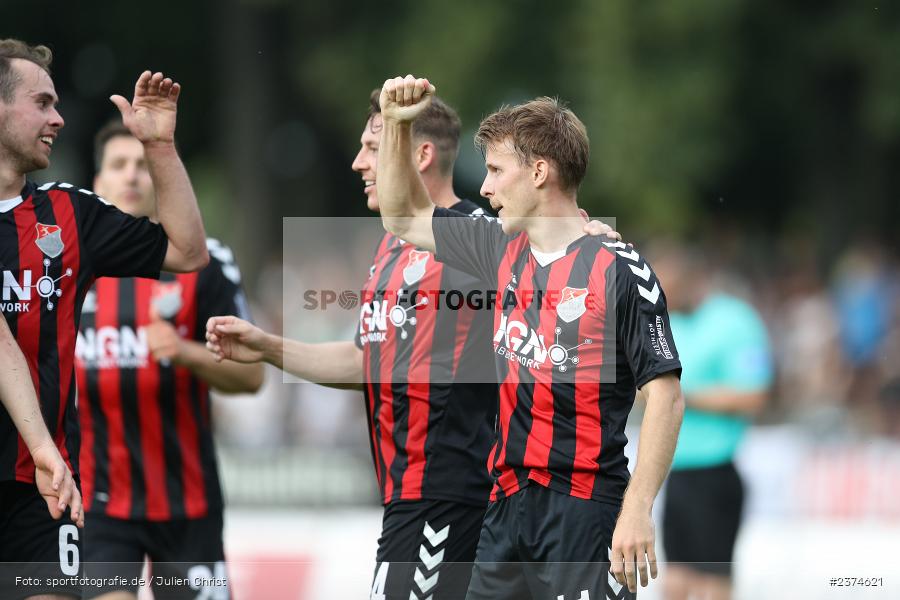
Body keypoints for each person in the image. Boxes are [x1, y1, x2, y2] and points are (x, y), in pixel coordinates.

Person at [205, 88, 623, 599]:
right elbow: (366, 361)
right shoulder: (391, 249)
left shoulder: (481, 238)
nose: (359, 162)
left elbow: (553, 246)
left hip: (456, 492)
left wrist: (588, 231)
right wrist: (267, 346)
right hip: (404, 492)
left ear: (420, 154)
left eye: (372, 147)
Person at [375, 75, 685, 599]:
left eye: (497, 170)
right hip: (505, 510)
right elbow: (403, 217)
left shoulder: (619, 269)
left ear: (540, 172)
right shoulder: (497, 249)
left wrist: (637, 510)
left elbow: (666, 397)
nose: (485, 188)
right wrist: (396, 125)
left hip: (582, 512)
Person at [0, 38, 208, 600]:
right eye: (42, 103)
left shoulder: (69, 213)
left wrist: (159, 146)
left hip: (41, 486)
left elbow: (189, 251)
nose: (58, 118)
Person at [74, 121, 264, 600]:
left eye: (143, 165)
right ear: (98, 182)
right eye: (119, 165)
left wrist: (184, 351)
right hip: (99, 503)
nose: (132, 175)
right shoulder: (69, 267)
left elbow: (251, 377)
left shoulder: (207, 263)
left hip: (188, 503)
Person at [649, 245, 772, 600]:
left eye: (668, 287)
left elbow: (753, 394)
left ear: (692, 280)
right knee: (674, 583)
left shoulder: (735, 321)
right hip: (675, 471)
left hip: (715, 472)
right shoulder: (665, 323)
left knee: (712, 583)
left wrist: (678, 396)